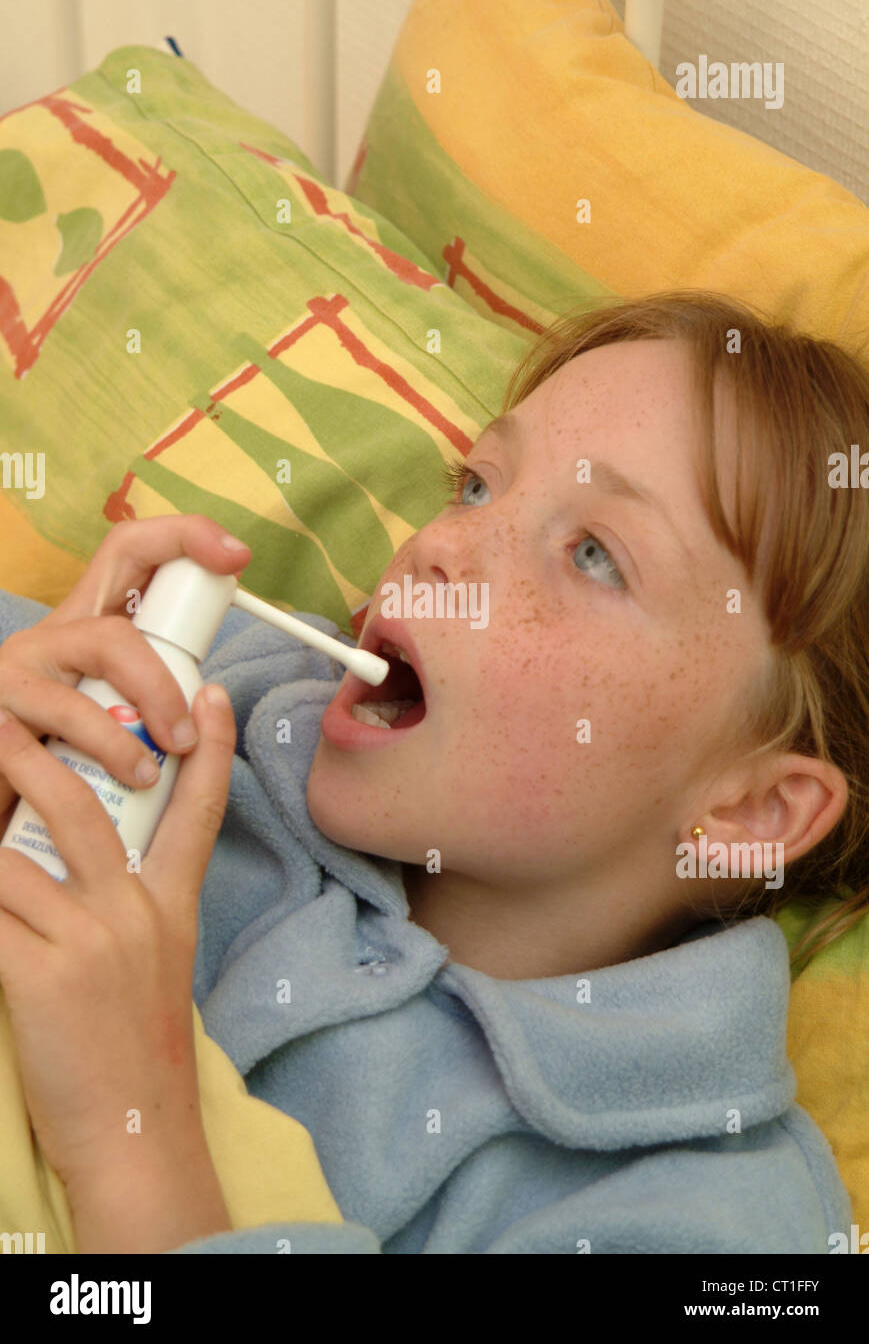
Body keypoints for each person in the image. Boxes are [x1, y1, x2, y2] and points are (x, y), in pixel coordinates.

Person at [0, 289, 864, 1253]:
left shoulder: (710, 1224)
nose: (441, 545)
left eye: (592, 555)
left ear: (752, 810)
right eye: (477, 486)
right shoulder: (207, 694)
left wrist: (131, 1137)